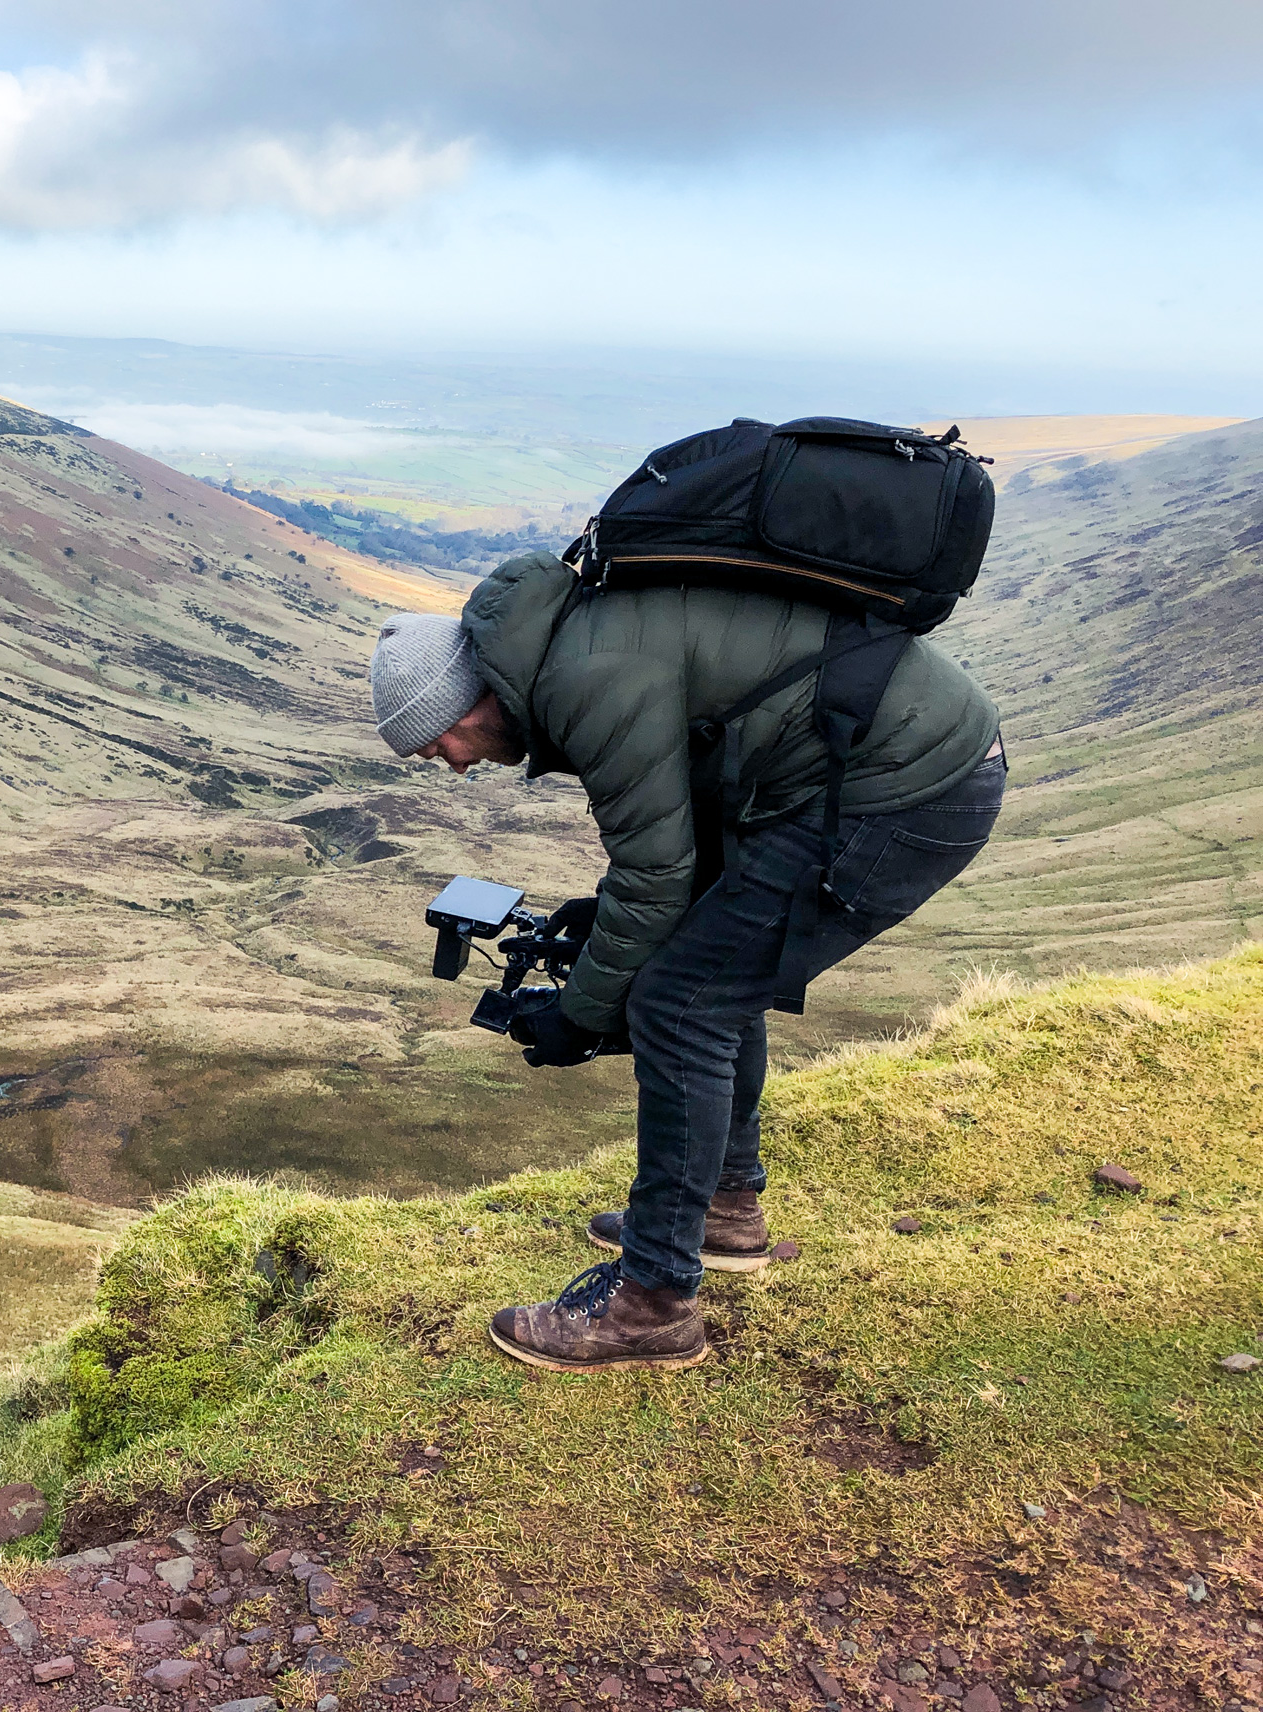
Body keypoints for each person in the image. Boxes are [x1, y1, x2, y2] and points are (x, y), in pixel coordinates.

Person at [370, 551, 1001, 1373]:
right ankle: (721, 1210)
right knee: (706, 977)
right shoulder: (574, 645)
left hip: (905, 789)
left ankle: (651, 1304)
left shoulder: (584, 678)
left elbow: (654, 874)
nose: (451, 764)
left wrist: (579, 1014)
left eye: (436, 743)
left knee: (681, 1005)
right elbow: (679, 832)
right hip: (854, 774)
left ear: (471, 699)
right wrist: (600, 924)